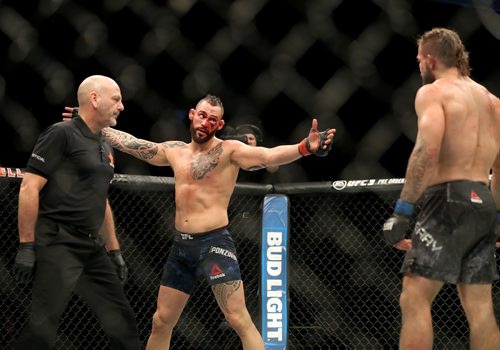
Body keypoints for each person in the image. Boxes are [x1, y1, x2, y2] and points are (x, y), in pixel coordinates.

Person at [65, 94, 335, 349]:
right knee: (161, 320)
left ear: (219, 125)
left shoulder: (229, 151)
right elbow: (133, 144)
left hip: (214, 243)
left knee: (238, 319)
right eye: (202, 115)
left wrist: (304, 148)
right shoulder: (175, 151)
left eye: (212, 119)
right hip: (181, 247)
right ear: (192, 115)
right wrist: (92, 122)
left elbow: (268, 156)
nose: (205, 122)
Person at [382, 28, 500, 349]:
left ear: (431, 59)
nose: (419, 64)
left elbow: (426, 151)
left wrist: (403, 211)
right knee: (479, 306)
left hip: (448, 199)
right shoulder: (493, 102)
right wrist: (497, 217)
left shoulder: (434, 92)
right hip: (483, 201)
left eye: (420, 59)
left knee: (415, 296)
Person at [14, 75, 142, 349]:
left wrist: (115, 251)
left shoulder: (104, 145)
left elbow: (101, 199)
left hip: (92, 246)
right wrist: (26, 245)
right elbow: (29, 188)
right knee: (43, 329)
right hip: (58, 240)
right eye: (116, 99)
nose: (121, 106)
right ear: (94, 99)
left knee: (124, 322)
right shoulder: (61, 133)